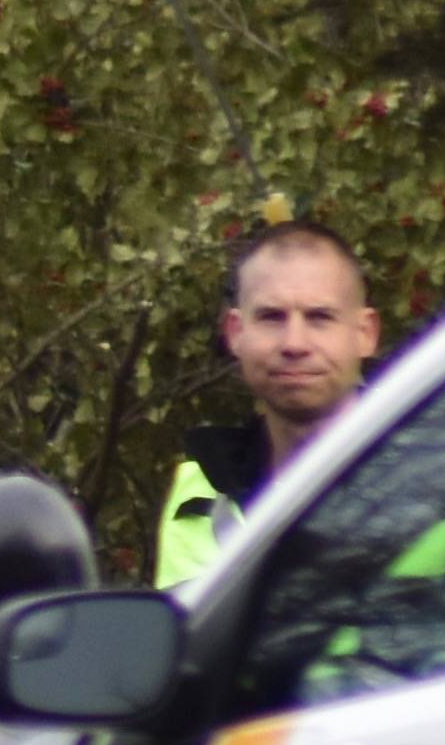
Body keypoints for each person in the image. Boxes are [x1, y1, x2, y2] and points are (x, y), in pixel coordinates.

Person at [155, 220, 391, 589]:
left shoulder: (437, 476)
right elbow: (191, 641)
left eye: (319, 317)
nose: (294, 343)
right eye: (271, 317)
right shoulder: (202, 490)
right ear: (236, 333)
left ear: (365, 334)